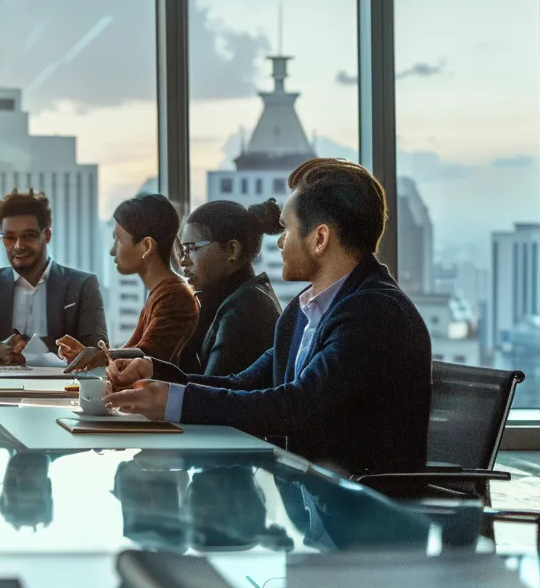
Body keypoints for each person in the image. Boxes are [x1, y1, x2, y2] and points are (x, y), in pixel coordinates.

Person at [103, 158, 432, 476]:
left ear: (320, 239)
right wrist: (156, 373)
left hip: (362, 513)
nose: (279, 243)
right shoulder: (305, 311)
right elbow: (242, 384)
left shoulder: (373, 312)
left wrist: (177, 402)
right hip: (312, 501)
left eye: (286, 230)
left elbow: (296, 407)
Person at [0, 190, 107, 365]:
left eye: (28, 236)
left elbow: (99, 352)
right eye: (9, 238)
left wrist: (70, 354)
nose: (18, 246)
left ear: (46, 235)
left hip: (62, 386)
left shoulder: (82, 284)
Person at [59, 193, 199, 370]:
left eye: (118, 240)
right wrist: (88, 355)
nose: (112, 251)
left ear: (147, 246)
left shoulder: (175, 297)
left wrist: (99, 357)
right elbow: (132, 354)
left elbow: (146, 358)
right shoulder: (162, 293)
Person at [176, 199, 285, 376]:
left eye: (191, 248)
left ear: (232, 250)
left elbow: (210, 397)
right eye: (182, 250)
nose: (183, 260)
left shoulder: (242, 312)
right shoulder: (244, 297)